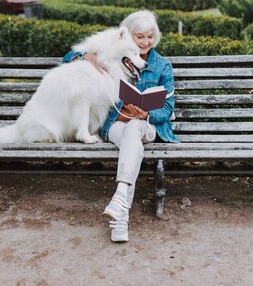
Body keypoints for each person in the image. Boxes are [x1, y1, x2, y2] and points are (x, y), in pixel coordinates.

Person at [63, 10, 178, 242]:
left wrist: (147, 112)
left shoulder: (162, 66)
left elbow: (167, 109)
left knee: (135, 128)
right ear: (129, 37)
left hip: (148, 127)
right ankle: (120, 205)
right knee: (129, 134)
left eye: (150, 36)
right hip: (115, 126)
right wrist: (86, 58)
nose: (146, 42)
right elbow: (67, 58)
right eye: (139, 37)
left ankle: (120, 209)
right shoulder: (114, 56)